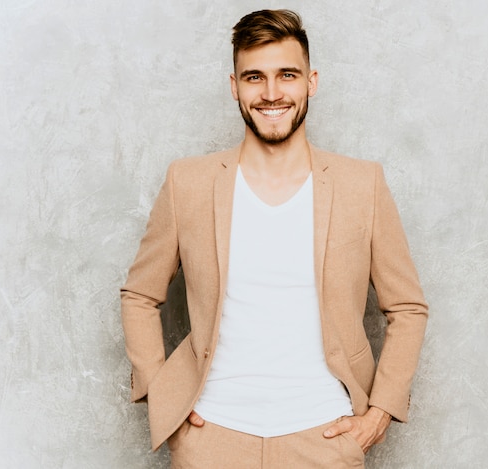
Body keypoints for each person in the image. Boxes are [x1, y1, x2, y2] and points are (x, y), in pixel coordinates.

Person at [121, 9, 428, 468]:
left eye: (287, 75)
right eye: (254, 77)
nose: (271, 93)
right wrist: (164, 399)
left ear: (312, 81)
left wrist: (378, 413)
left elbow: (406, 307)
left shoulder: (362, 185)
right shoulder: (187, 183)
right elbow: (140, 295)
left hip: (325, 437)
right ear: (234, 87)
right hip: (212, 439)